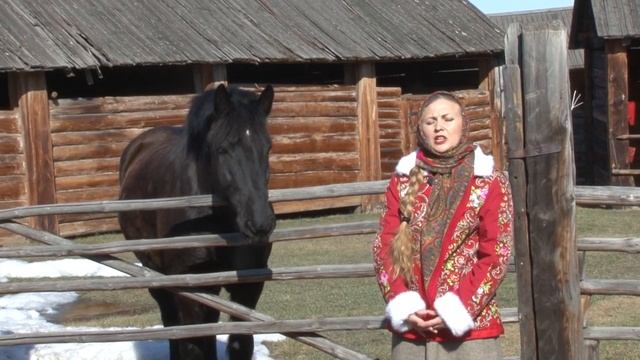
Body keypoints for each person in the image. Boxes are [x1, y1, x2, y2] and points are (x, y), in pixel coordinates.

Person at [373, 91, 513, 359]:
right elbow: (384, 248)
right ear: (420, 129)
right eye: (430, 121)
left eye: (448, 119)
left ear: (463, 123)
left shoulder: (487, 181)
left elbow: (496, 254)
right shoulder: (402, 181)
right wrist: (403, 304)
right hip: (413, 332)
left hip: (469, 335)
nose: (439, 127)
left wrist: (456, 307)